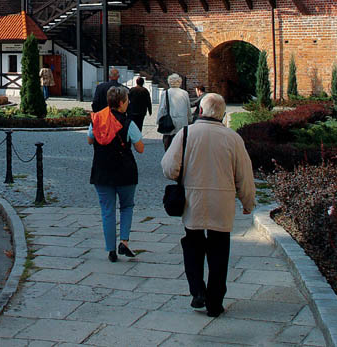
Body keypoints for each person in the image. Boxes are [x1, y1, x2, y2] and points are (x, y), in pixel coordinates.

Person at [161, 93, 255, 318]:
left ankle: (197, 291)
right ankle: (215, 302)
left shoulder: (186, 134)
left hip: (193, 201)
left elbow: (169, 168)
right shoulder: (233, 138)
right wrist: (248, 202)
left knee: (192, 245)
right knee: (219, 251)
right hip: (221, 203)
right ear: (223, 114)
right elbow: (244, 175)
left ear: (200, 111)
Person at [88, 85, 144, 261]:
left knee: (107, 210)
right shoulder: (128, 123)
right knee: (127, 206)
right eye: (127, 101)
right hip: (125, 171)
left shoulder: (97, 119)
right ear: (121, 103)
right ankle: (124, 241)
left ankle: (111, 249)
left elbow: (90, 139)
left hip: (102, 170)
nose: (128, 104)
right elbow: (140, 148)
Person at [156, 73, 192, 150]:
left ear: (169, 82)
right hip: (182, 121)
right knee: (181, 141)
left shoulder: (165, 93)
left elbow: (162, 108)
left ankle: (168, 154)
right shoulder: (184, 93)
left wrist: (158, 120)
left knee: (168, 140)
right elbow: (188, 108)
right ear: (179, 82)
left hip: (170, 121)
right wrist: (189, 119)